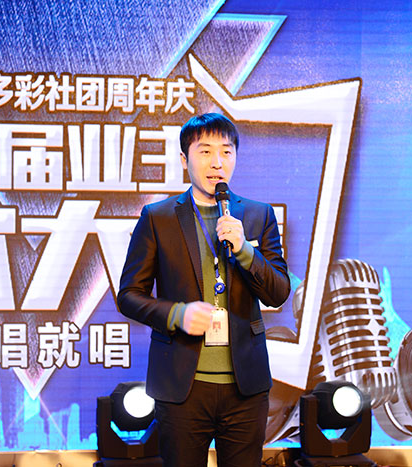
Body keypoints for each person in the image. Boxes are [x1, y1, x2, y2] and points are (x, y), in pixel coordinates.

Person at [117, 113, 290, 466]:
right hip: (182, 386)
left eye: (226, 152)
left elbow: (278, 292)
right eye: (205, 151)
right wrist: (177, 314)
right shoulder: (158, 217)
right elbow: (129, 295)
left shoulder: (258, 215)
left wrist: (245, 250)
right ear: (185, 159)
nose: (217, 162)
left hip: (245, 387)